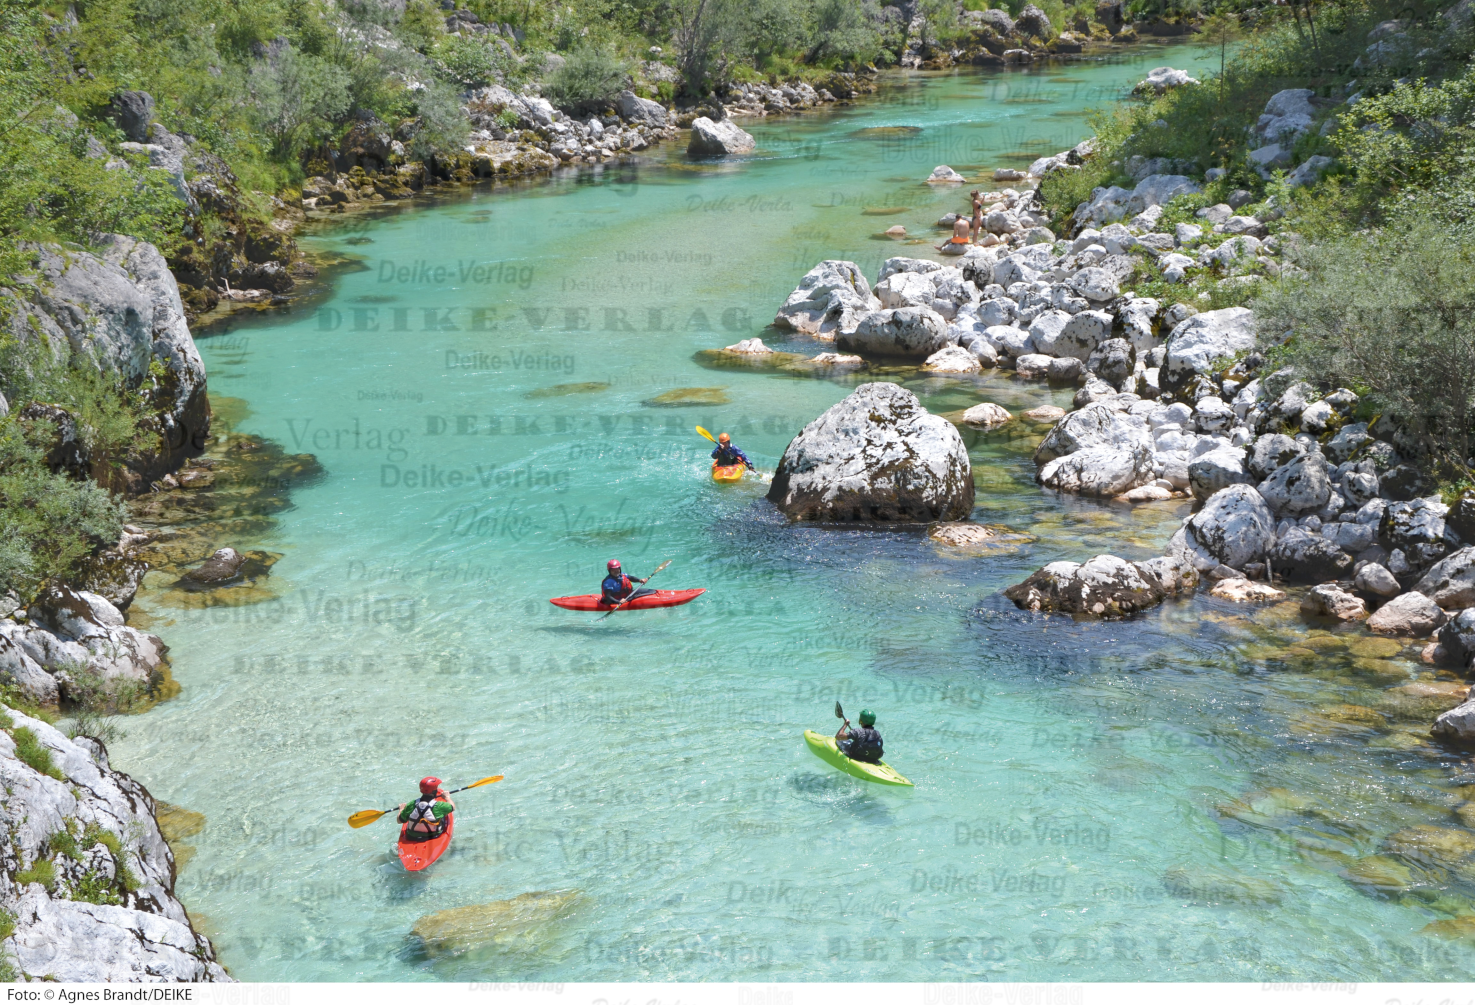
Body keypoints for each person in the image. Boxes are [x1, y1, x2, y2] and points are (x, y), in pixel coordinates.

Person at [397, 776, 455, 843]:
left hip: (411, 837)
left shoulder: (411, 804)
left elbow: (399, 820)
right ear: (434, 790)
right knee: (443, 815)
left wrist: (401, 809)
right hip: (433, 836)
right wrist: (447, 797)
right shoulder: (439, 806)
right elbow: (452, 807)